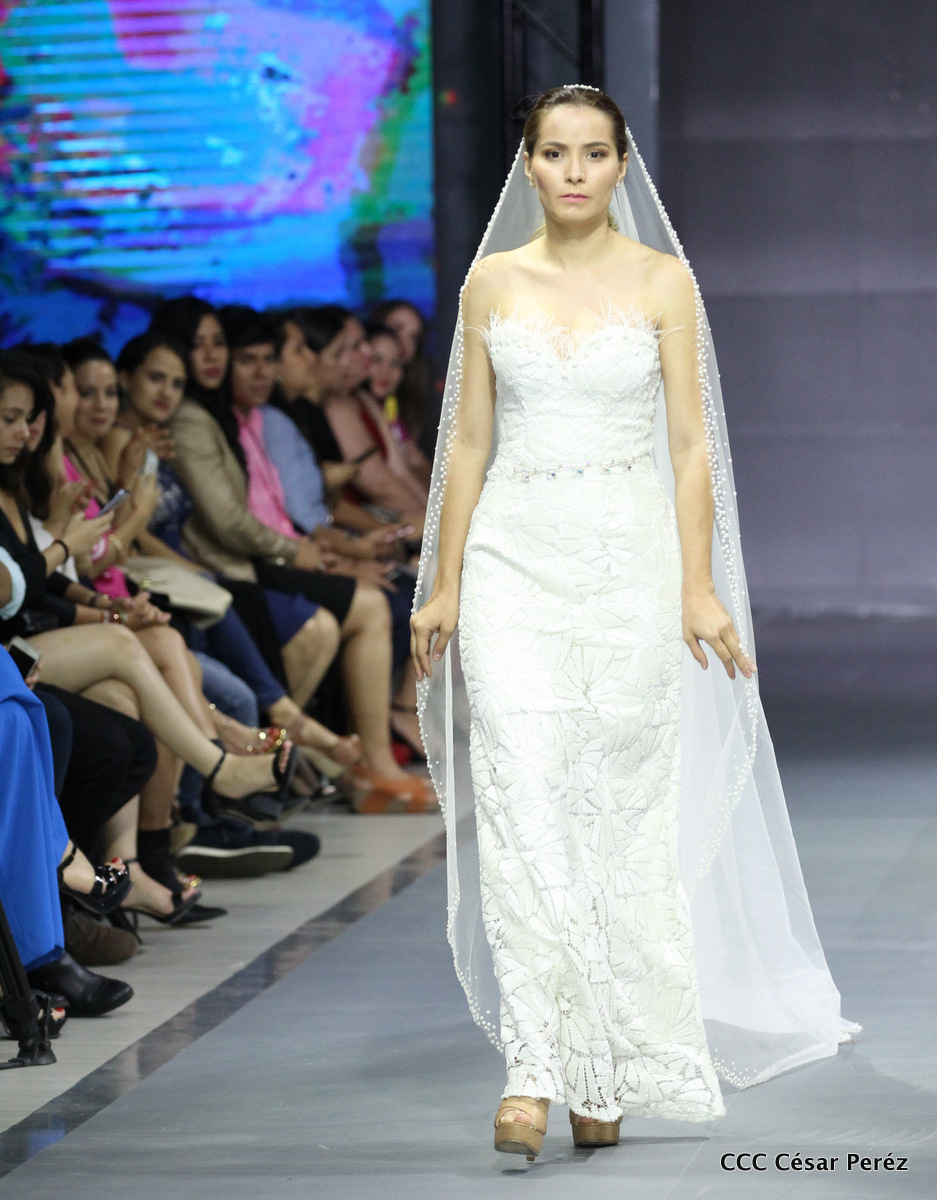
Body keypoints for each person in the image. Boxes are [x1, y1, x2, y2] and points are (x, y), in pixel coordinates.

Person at [411, 86, 852, 1158]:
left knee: (617, 821)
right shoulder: (490, 283)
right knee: (523, 807)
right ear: (527, 163)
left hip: (627, 568)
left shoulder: (662, 280)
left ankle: (601, 1062)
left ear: (620, 164)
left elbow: (691, 446)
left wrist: (697, 585)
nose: (573, 172)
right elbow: (468, 442)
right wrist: (446, 581)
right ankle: (531, 1071)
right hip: (514, 564)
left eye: (593, 153)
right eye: (554, 152)